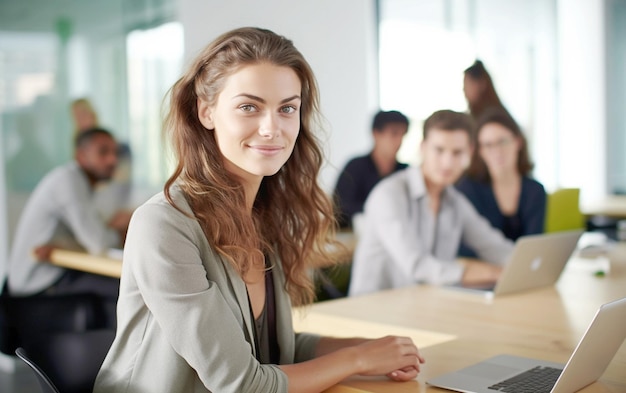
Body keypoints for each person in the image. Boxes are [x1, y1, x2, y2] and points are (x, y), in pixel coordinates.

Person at [94, 27, 423, 393]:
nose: (272, 128)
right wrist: (357, 361)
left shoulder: (264, 218)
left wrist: (372, 348)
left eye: (287, 108)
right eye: (249, 107)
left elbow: (275, 351)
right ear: (206, 112)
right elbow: (243, 383)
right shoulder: (164, 224)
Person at [349, 110, 514, 296]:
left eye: (457, 152)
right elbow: (418, 266)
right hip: (371, 312)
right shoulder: (389, 194)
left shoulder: (455, 201)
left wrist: (526, 265)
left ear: (470, 152)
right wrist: (494, 273)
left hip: (423, 306)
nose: (447, 163)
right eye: (439, 150)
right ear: (423, 148)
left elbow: (494, 246)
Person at [7, 127, 128, 300]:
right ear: (81, 156)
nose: (112, 159)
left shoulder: (81, 183)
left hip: (52, 272)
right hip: (36, 283)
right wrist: (122, 234)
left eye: (115, 152)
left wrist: (68, 243)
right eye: (103, 152)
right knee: (127, 290)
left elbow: (92, 235)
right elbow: (97, 242)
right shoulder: (68, 181)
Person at [456, 108, 546, 257]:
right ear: (480, 151)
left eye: (502, 141)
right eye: (488, 145)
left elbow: (535, 246)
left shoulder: (535, 190)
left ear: (518, 142)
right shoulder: (467, 189)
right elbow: (467, 248)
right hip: (483, 273)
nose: (497, 151)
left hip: (524, 272)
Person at [333, 110, 409, 229]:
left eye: (403, 135)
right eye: (394, 134)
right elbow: (340, 208)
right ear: (376, 134)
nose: (399, 141)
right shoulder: (355, 167)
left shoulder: (405, 172)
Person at [70, 97, 134, 222]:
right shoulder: (77, 152)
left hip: (113, 205)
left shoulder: (118, 147)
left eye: (84, 114)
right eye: (77, 116)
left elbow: (123, 183)